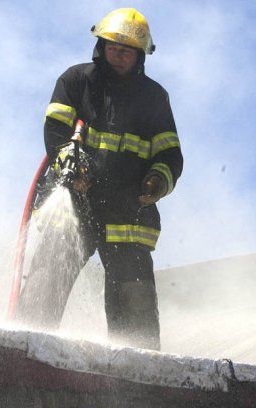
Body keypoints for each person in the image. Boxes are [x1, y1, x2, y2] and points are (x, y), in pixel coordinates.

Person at [16, 8, 182, 351]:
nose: (119, 56)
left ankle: (138, 375)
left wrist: (157, 180)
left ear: (141, 55)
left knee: (135, 305)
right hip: (75, 201)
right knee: (47, 281)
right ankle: (22, 351)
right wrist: (69, 166)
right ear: (100, 46)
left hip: (128, 210)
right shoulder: (76, 81)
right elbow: (56, 132)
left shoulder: (154, 98)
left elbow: (170, 154)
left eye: (127, 51)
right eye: (113, 48)